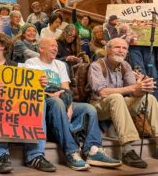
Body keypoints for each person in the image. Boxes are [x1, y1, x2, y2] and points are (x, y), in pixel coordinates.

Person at [25, 37, 122, 171]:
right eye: (52, 45)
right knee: (56, 101)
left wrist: (69, 106)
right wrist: (49, 94)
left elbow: (66, 90)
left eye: (56, 46)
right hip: (44, 101)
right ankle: (71, 152)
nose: (55, 48)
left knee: (88, 109)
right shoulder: (31, 63)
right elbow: (29, 90)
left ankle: (94, 150)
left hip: (61, 99)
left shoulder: (60, 65)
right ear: (41, 48)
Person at [0, 32, 56, 173]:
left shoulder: (14, 66)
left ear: (2, 46)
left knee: (40, 101)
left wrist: (41, 83)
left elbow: (30, 86)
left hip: (13, 108)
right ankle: (0, 155)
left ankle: (35, 155)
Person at [87, 38, 158, 168]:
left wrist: (142, 87)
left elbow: (134, 93)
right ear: (108, 50)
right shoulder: (97, 65)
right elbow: (102, 92)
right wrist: (132, 88)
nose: (121, 51)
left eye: (124, 48)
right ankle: (127, 150)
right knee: (116, 97)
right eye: (117, 47)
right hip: (98, 107)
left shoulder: (125, 66)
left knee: (150, 98)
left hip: (119, 105)